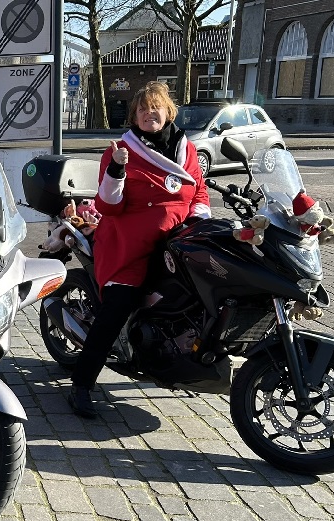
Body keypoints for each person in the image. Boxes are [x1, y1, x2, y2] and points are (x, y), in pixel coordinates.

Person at [69, 81, 210, 418]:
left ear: (168, 111)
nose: (150, 112)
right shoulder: (122, 150)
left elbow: (200, 193)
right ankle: (82, 384)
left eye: (156, 106)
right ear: (134, 115)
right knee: (116, 310)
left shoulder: (186, 150)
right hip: (129, 246)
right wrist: (117, 167)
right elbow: (109, 205)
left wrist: (198, 221)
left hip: (176, 242)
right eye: (142, 108)